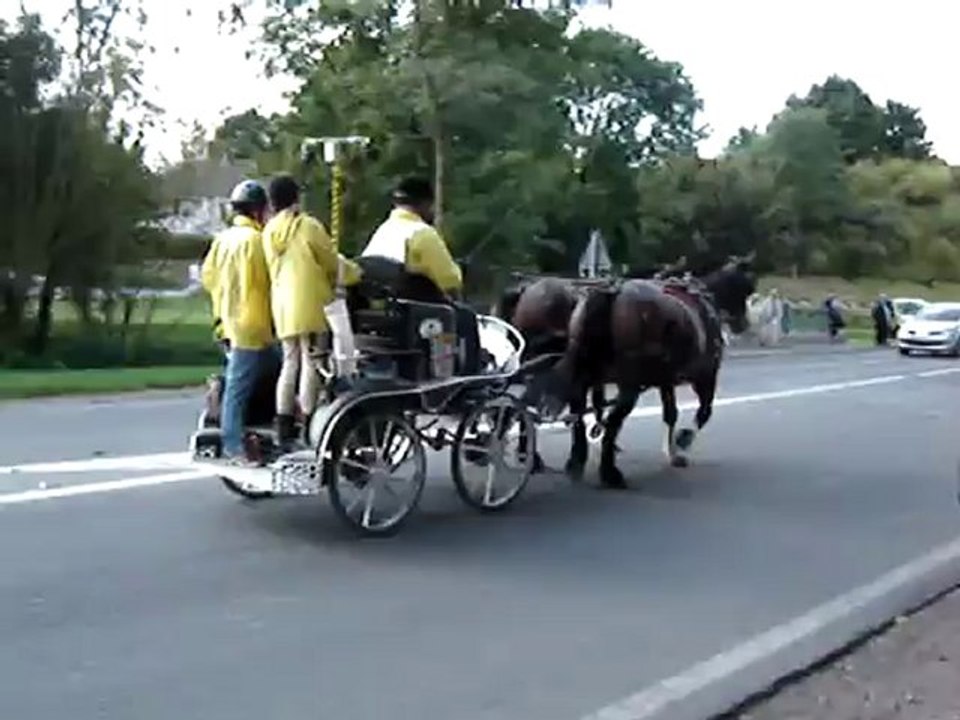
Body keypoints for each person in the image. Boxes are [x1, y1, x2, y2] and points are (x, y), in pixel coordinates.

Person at [261, 173, 361, 449]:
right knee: (310, 362)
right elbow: (330, 261)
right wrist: (351, 274)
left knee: (289, 361)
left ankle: (282, 423)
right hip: (309, 301)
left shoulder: (269, 231)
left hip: (281, 304)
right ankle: (306, 420)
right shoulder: (308, 226)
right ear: (296, 197)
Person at [362, 176, 482, 374]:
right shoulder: (422, 233)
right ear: (426, 203)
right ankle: (467, 379)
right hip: (415, 315)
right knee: (466, 317)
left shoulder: (382, 230)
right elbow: (450, 281)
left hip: (380, 314)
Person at [201, 180, 275, 465]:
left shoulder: (222, 240)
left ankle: (264, 434)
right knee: (238, 389)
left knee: (272, 372)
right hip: (252, 326)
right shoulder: (256, 241)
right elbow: (270, 281)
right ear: (258, 211)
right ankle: (233, 446)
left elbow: (208, 277)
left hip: (227, 322)